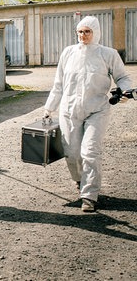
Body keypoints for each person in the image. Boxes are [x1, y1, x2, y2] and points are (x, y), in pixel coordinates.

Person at [43, 16, 132, 212]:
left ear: (96, 32)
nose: (83, 35)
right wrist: (49, 108)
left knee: (90, 152)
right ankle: (79, 179)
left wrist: (126, 91)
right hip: (69, 110)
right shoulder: (68, 53)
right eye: (80, 32)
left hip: (97, 109)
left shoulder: (108, 54)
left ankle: (89, 195)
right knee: (72, 153)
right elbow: (58, 84)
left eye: (87, 31)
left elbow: (122, 77)